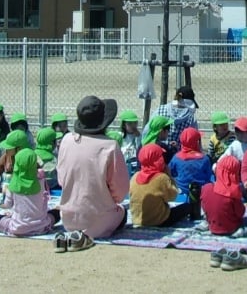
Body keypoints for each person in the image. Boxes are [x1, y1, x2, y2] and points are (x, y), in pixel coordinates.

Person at [56, 96, 130, 240]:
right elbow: (120, 191)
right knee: (122, 213)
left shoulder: (66, 140)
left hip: (68, 218)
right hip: (99, 220)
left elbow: (61, 179)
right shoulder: (110, 146)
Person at [0, 148, 59, 236]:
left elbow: (8, 205)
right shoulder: (41, 181)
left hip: (18, 228)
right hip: (41, 227)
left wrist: (4, 207)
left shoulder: (13, 184)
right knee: (56, 213)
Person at [130, 143, 196, 227]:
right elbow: (173, 196)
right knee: (187, 207)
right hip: (160, 221)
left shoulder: (134, 176)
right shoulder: (162, 178)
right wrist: (169, 175)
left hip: (137, 219)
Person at [143, 85, 198, 158]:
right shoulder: (191, 118)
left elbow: (147, 131)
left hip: (156, 154)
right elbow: (195, 139)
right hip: (181, 158)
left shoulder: (160, 110)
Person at [200, 155, 247, 237]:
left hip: (212, 226)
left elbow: (204, 207)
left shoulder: (206, 188)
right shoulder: (233, 193)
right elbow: (240, 213)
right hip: (231, 228)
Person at [169, 127, 213, 195]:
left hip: (181, 190)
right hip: (200, 190)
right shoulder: (204, 159)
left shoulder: (176, 157)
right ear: (196, 142)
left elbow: (171, 173)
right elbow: (208, 175)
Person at [117, 110, 142, 175]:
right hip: (122, 163)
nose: (133, 126)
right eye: (130, 124)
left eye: (135, 123)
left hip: (133, 164)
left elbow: (139, 149)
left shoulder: (138, 136)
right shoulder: (119, 135)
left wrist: (138, 137)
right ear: (124, 125)